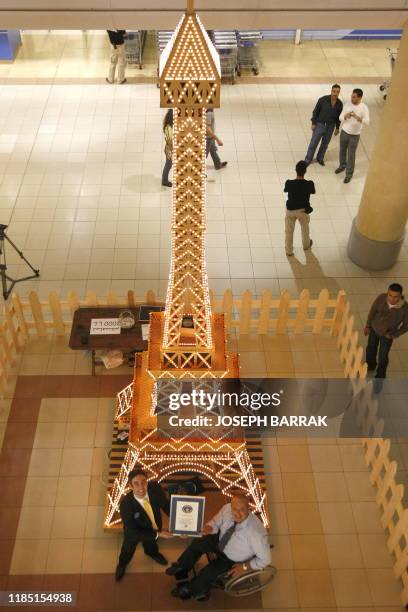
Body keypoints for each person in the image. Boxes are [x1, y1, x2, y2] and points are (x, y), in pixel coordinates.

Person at [166, 493, 271, 602]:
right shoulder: (226, 509)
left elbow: (265, 559)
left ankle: (190, 590)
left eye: (242, 509)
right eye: (234, 509)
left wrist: (244, 567)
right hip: (220, 541)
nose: (238, 514)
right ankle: (182, 566)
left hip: (231, 559)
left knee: (207, 573)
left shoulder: (257, 533)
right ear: (231, 506)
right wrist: (209, 528)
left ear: (248, 508)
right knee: (197, 543)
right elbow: (216, 522)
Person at [115, 468, 170, 581]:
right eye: (136, 484)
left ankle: (152, 554)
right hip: (134, 533)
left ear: (147, 481)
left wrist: (178, 522)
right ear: (130, 486)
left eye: (143, 482)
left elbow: (165, 506)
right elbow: (131, 533)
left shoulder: (155, 489)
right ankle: (122, 564)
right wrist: (158, 534)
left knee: (151, 545)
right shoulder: (126, 505)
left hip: (153, 527)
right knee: (127, 550)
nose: (141, 487)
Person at [364, 283, 408, 381]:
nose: (392, 299)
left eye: (395, 297)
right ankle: (370, 366)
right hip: (374, 330)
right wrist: (368, 325)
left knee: (383, 357)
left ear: (400, 296)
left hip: (387, 335)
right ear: (387, 293)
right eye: (390, 295)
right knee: (370, 349)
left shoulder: (405, 308)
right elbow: (372, 311)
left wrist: (394, 335)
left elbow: (406, 325)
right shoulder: (381, 298)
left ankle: (380, 377)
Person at [335, 88, 369, 183]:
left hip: (355, 135)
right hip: (345, 132)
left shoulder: (364, 108)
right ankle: (342, 166)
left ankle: (349, 174)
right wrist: (346, 116)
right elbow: (340, 117)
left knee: (351, 154)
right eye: (351, 96)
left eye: (354, 97)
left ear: (359, 98)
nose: (351, 98)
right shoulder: (347, 104)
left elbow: (367, 122)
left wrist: (358, 118)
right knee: (342, 150)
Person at [304, 84, 343, 166]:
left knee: (325, 144)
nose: (335, 93)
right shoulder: (323, 100)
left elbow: (338, 117)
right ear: (331, 91)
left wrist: (337, 128)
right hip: (320, 125)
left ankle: (320, 158)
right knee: (314, 143)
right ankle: (308, 159)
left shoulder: (339, 104)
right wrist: (313, 123)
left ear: (339, 93)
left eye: (337, 92)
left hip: (330, 126)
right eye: (334, 91)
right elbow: (315, 111)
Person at [284, 160, 315, 256]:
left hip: (290, 211)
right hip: (303, 211)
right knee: (305, 230)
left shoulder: (289, 183)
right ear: (305, 171)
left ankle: (289, 251)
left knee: (289, 232)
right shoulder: (309, 184)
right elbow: (313, 192)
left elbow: (285, 190)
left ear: (295, 170)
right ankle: (306, 246)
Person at [162, 109, 173, 187]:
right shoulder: (169, 128)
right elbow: (170, 140)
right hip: (170, 149)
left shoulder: (168, 126)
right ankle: (164, 181)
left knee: (169, 164)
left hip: (169, 148)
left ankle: (164, 179)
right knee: (168, 164)